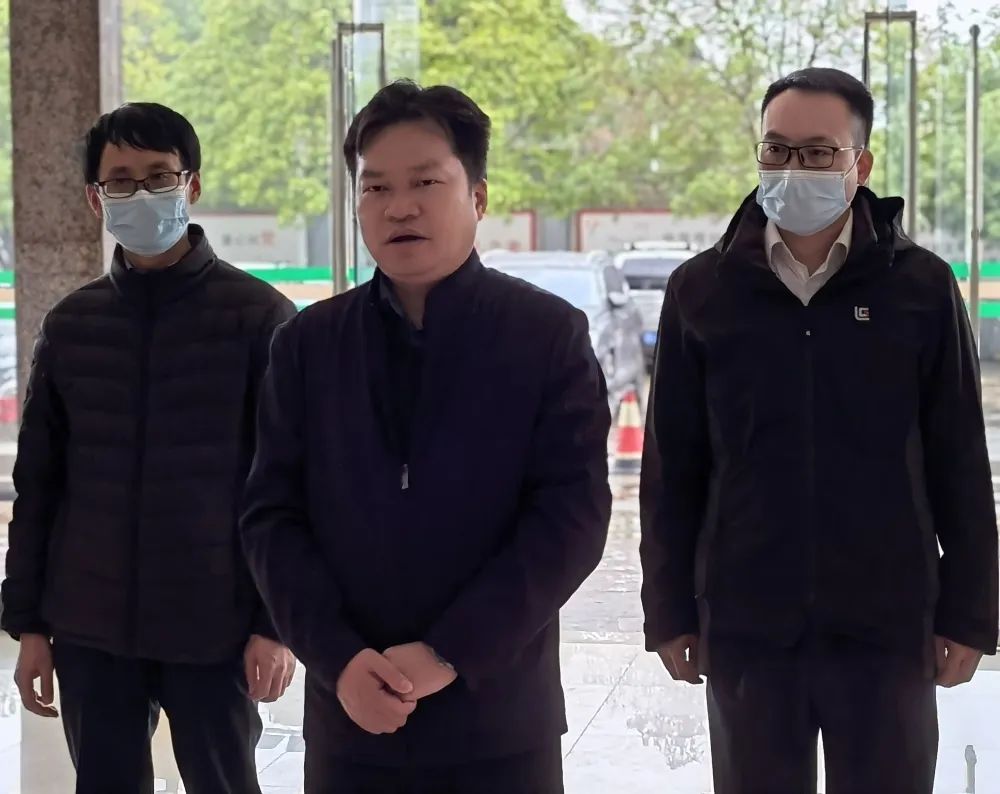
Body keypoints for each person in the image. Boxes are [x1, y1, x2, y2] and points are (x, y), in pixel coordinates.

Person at [241, 80, 612, 794]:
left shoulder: (545, 335)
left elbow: (571, 518)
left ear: (478, 197)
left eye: (426, 183)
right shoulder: (308, 344)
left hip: (498, 715)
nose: (399, 206)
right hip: (352, 712)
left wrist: (448, 652)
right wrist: (339, 659)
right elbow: (270, 516)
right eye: (375, 187)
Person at [640, 67, 999, 794]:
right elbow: (673, 468)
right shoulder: (702, 290)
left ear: (860, 165)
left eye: (817, 152)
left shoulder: (920, 287)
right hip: (746, 622)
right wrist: (668, 610)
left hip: (888, 622)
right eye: (776, 149)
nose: (792, 168)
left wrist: (971, 612)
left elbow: (959, 456)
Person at [0, 103, 298, 794]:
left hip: (216, 627)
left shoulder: (260, 319)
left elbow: (290, 486)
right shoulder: (72, 325)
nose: (141, 194)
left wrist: (275, 623)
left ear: (191, 185)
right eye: (121, 180)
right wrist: (29, 623)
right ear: (95, 198)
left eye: (159, 176)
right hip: (90, 628)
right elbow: (39, 485)